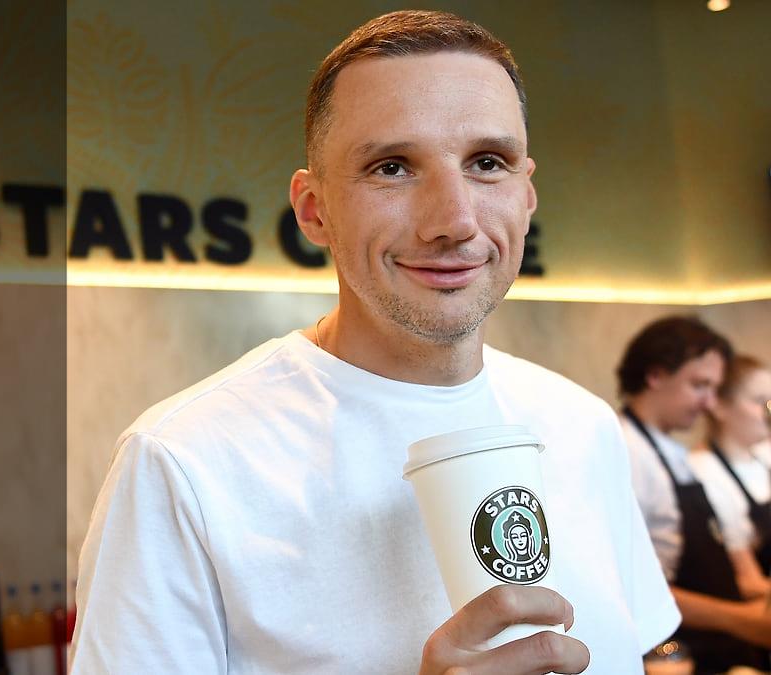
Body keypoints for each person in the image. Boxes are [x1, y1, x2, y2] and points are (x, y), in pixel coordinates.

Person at [72, 10, 678, 674]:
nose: (454, 220)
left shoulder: (583, 425)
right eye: (392, 167)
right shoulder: (183, 462)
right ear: (314, 210)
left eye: (487, 163)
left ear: (527, 194)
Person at [617, 317, 771, 673]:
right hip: (675, 651)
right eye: (699, 385)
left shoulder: (672, 453)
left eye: (714, 388)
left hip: (721, 649)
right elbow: (635, 587)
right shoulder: (626, 451)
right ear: (655, 375)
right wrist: (740, 619)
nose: (709, 402)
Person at [690, 355, 771, 597]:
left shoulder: (764, 453)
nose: (769, 411)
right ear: (719, 406)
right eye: (760, 401)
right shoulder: (705, 472)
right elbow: (747, 580)